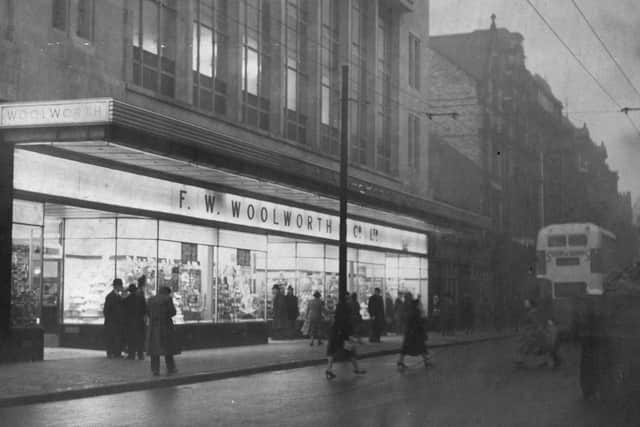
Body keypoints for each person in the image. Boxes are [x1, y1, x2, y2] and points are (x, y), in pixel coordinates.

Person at [325, 301, 366, 379]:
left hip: (333, 338)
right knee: (351, 352)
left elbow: (332, 328)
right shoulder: (346, 319)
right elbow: (348, 333)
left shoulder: (336, 318)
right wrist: (358, 341)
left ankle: (328, 370)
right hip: (342, 340)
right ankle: (357, 369)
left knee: (331, 354)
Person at [147, 286, 179, 376]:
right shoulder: (167, 299)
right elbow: (173, 312)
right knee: (168, 349)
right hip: (165, 326)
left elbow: (148, 312)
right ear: (167, 292)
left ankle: (155, 370)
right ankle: (171, 368)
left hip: (153, 326)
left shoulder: (151, 299)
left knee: (154, 349)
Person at [397, 293, 430, 370]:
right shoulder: (413, 310)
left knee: (406, 347)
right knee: (421, 346)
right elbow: (416, 320)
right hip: (414, 332)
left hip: (410, 331)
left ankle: (400, 361)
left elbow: (405, 319)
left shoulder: (407, 307)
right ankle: (426, 362)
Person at [124, 282, 147, 360]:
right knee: (140, 338)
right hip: (140, 321)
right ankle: (140, 355)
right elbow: (145, 309)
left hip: (130, 322)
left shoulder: (127, 299)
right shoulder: (141, 298)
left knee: (131, 339)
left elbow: (124, 311)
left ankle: (132, 354)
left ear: (129, 291)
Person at [104, 278, 125, 359]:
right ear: (117, 286)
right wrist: (110, 320)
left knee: (117, 337)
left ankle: (117, 353)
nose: (121, 287)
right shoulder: (110, 296)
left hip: (118, 322)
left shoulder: (119, 296)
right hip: (112, 321)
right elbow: (106, 310)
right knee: (111, 337)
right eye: (120, 286)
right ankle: (110, 352)